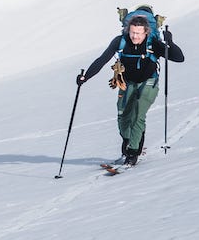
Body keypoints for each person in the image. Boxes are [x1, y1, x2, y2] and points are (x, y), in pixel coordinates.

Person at [78, 12, 185, 165]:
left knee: (137, 115)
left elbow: (179, 58)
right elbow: (102, 60)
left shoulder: (153, 43)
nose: (135, 36)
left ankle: (133, 153)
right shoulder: (120, 42)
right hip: (127, 82)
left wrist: (170, 43)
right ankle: (128, 141)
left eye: (138, 33)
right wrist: (86, 77)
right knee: (123, 117)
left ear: (146, 32)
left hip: (149, 81)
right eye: (132, 32)